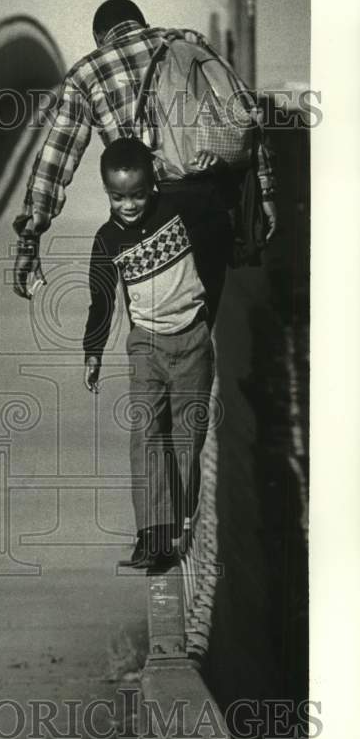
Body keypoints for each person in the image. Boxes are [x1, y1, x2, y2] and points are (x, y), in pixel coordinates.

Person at [11, 0, 277, 299]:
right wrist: (265, 191)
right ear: (143, 24)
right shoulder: (185, 41)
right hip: (208, 206)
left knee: (149, 334)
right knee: (199, 331)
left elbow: (54, 162)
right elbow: (245, 110)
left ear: (99, 38)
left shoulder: (88, 73)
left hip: (144, 216)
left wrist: (29, 239)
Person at [85, 137, 224, 569]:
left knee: (186, 441)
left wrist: (210, 167)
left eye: (138, 194)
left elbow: (217, 205)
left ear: (154, 185)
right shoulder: (108, 240)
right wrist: (93, 350)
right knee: (146, 436)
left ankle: (183, 523)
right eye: (118, 196)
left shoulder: (178, 209)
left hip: (193, 341)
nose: (129, 205)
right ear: (107, 191)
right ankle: (152, 535)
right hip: (146, 343)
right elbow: (102, 299)